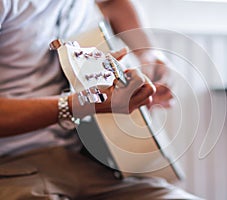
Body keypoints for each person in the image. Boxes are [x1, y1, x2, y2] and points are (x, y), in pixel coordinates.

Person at [0, 0, 200, 199]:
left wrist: (147, 53)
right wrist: (79, 105)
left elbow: (114, 3)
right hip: (14, 165)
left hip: (90, 162)